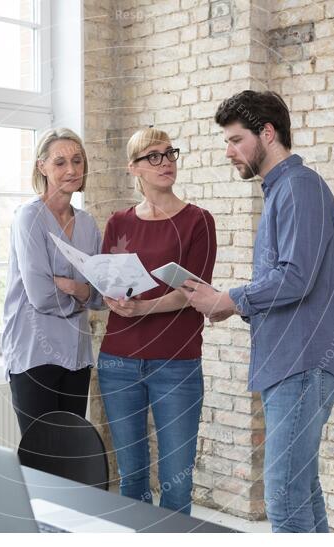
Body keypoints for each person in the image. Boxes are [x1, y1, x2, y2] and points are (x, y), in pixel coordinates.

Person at [181, 90, 334, 532]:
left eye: (236, 139)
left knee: (283, 499)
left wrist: (230, 299)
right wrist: (232, 302)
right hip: (294, 360)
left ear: (268, 133)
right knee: (301, 490)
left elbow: (296, 277)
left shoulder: (299, 188)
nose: (229, 152)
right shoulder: (282, 189)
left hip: (305, 361)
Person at [97, 127, 216, 515]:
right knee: (131, 478)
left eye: (169, 154)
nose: (165, 162)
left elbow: (194, 292)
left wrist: (143, 308)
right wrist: (111, 298)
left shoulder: (199, 221)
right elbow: (107, 282)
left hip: (176, 364)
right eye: (154, 156)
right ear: (135, 168)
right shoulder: (118, 223)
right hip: (118, 362)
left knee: (175, 481)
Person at [1, 128, 102, 436]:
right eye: (60, 162)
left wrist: (74, 287)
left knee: (70, 455)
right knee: (42, 459)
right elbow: (41, 295)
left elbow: (101, 295)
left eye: (77, 160)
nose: (71, 169)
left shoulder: (86, 223)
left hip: (76, 355)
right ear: (41, 167)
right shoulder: (29, 218)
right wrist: (83, 294)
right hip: (34, 353)